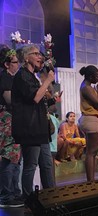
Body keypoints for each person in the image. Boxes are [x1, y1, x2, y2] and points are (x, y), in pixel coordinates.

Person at [11, 44, 56, 199]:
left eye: (40, 54)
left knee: (47, 164)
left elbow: (41, 100)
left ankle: (51, 197)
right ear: (26, 57)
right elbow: (35, 97)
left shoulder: (32, 76)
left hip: (40, 126)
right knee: (31, 165)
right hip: (30, 127)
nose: (39, 57)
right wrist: (48, 79)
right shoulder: (22, 75)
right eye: (35, 54)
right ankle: (28, 199)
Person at [0, 47, 23, 208]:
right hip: (7, 121)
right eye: (15, 62)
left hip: (14, 120)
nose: (18, 65)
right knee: (9, 158)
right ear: (7, 64)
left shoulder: (11, 78)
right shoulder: (5, 78)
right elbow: (10, 101)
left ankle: (14, 192)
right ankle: (7, 195)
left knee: (15, 158)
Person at [78, 65, 98, 181]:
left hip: (89, 119)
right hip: (91, 119)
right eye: (96, 76)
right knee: (91, 152)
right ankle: (91, 180)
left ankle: (91, 179)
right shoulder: (87, 88)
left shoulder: (87, 86)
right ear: (90, 76)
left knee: (91, 152)